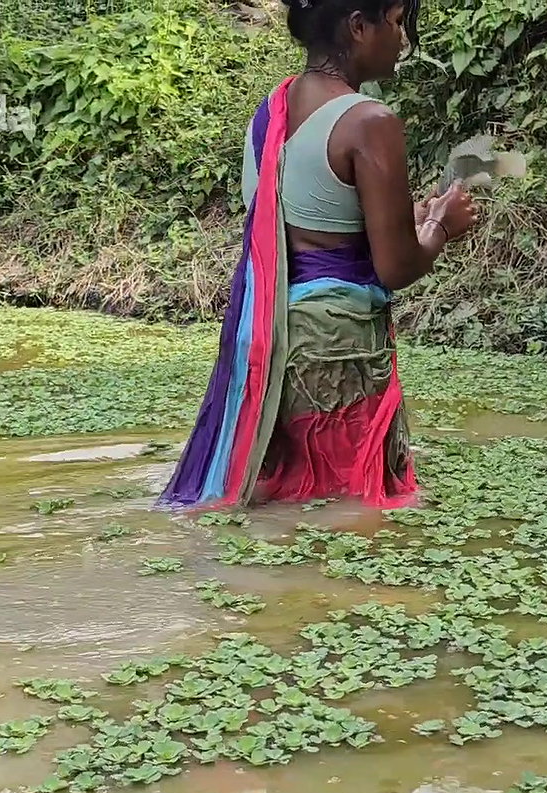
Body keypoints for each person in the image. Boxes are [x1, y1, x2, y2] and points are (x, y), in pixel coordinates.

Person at [157, 0, 479, 511]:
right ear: (358, 27)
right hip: (337, 346)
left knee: (279, 500)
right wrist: (442, 225)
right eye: (395, 22)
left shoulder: (272, 111)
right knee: (352, 509)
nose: (403, 38)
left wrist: (408, 220)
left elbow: (312, 222)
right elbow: (396, 266)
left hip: (268, 340)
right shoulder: (369, 120)